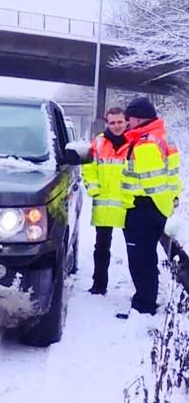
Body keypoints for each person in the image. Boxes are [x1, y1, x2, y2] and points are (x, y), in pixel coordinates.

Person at [121, 97, 182, 315]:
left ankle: (144, 304)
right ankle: (146, 297)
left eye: (129, 118)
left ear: (138, 118)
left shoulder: (145, 143)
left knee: (140, 258)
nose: (127, 122)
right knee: (147, 255)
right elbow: (170, 177)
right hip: (160, 206)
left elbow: (150, 181)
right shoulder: (161, 136)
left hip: (144, 207)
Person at [82, 107, 130, 295]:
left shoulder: (134, 143)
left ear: (126, 122)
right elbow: (89, 168)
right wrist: (94, 189)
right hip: (104, 204)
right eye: (112, 123)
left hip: (129, 204)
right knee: (101, 249)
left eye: (120, 122)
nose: (116, 126)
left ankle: (142, 291)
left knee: (136, 252)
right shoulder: (99, 142)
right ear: (107, 123)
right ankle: (99, 285)